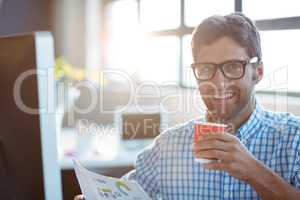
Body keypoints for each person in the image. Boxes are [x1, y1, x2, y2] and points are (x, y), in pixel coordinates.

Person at [74, 13, 300, 200]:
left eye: (232, 67)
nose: (218, 83)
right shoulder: (167, 147)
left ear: (257, 72)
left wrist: (253, 171)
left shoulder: (294, 139)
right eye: (205, 69)